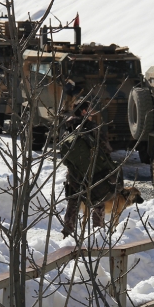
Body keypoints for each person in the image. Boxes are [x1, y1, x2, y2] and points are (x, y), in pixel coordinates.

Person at [60, 100, 120, 238]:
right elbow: (106, 149)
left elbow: (63, 151)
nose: (92, 114)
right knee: (98, 202)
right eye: (90, 111)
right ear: (84, 112)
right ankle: (97, 235)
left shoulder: (66, 126)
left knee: (73, 203)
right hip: (93, 173)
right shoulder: (92, 127)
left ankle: (67, 234)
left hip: (74, 174)